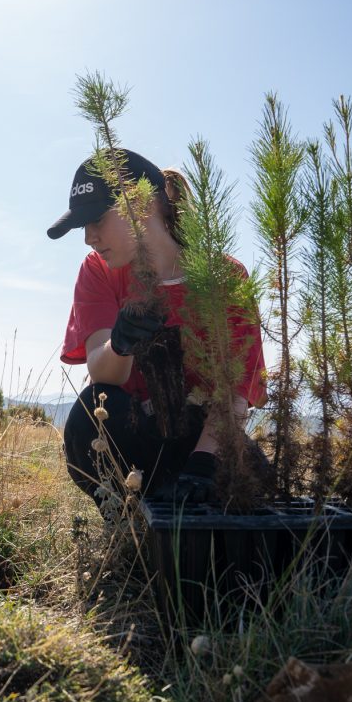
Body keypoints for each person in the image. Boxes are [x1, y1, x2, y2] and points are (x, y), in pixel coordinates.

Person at [46, 151, 267, 509]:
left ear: (141, 204)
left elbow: (236, 389)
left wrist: (203, 463)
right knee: (90, 413)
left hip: (203, 442)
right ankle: (129, 521)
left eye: (97, 219)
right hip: (134, 443)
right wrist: (121, 344)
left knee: (253, 481)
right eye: (83, 226)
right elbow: (101, 375)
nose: (89, 237)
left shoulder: (225, 278)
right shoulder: (98, 271)